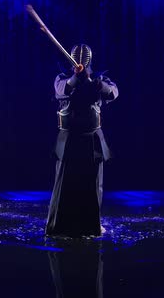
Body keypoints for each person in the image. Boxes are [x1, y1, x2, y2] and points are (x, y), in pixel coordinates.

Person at [45, 44, 119, 238]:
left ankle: (91, 226)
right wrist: (77, 78)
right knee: (62, 186)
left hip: (92, 138)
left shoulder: (99, 79)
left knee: (94, 187)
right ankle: (58, 227)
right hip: (68, 139)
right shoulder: (62, 79)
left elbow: (112, 92)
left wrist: (95, 83)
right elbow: (63, 88)